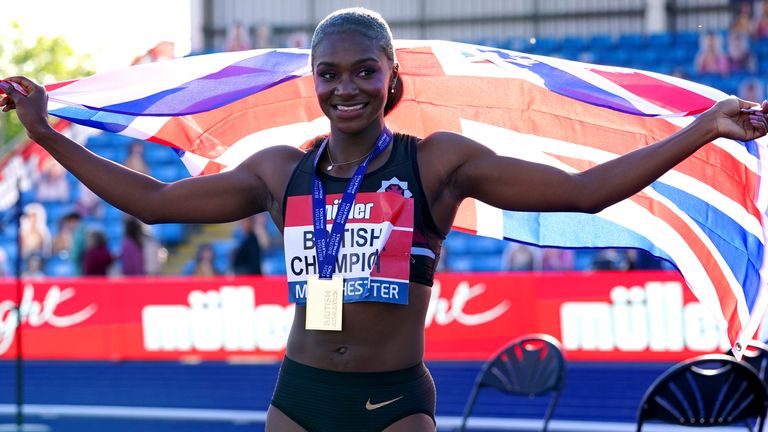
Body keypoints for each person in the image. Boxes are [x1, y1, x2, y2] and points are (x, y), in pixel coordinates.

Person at [2, 7, 768, 431]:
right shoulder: (280, 171)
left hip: (394, 407)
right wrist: (45, 134)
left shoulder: (438, 163)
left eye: (363, 71)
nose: (347, 88)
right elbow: (157, 203)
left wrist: (701, 128)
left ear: (391, 78)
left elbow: (586, 192)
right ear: (313, 82)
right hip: (297, 402)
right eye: (329, 74)